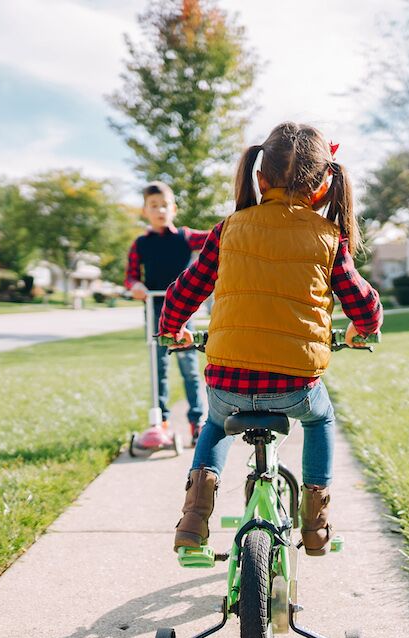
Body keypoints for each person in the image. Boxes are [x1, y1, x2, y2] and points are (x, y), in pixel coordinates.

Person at [158, 122, 383, 556]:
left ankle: (193, 518)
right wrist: (363, 330)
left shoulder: (228, 230)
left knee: (214, 423)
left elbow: (184, 291)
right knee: (321, 419)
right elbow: (362, 302)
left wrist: (174, 330)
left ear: (260, 179)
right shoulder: (329, 238)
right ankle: (315, 523)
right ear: (322, 187)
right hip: (295, 386)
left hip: (228, 381)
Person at [125, 181, 211, 441]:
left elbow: (215, 238)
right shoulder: (140, 244)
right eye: (154, 206)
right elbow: (130, 277)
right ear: (145, 211)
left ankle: (197, 421)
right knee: (159, 367)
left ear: (173, 209)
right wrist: (135, 285)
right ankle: (159, 421)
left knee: (189, 368)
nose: (160, 210)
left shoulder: (186, 237)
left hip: (184, 311)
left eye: (164, 205)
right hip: (155, 310)